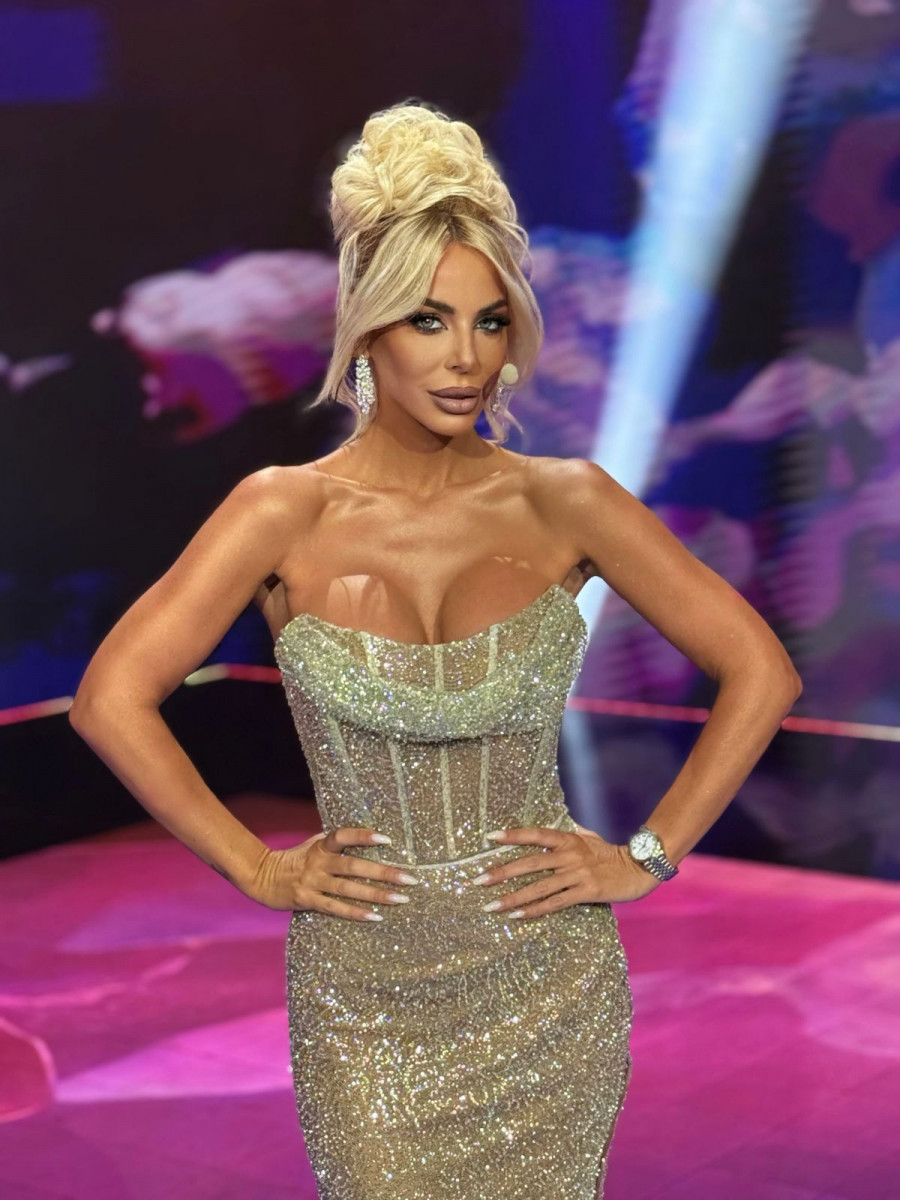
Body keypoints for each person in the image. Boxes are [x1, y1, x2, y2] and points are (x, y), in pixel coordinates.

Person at [70, 101, 803, 1199]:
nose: (466, 357)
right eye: (428, 320)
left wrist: (646, 856)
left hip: (548, 982)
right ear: (368, 329)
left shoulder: (566, 500)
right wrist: (259, 867)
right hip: (365, 993)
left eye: (490, 321)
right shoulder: (281, 510)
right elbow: (111, 701)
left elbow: (762, 670)